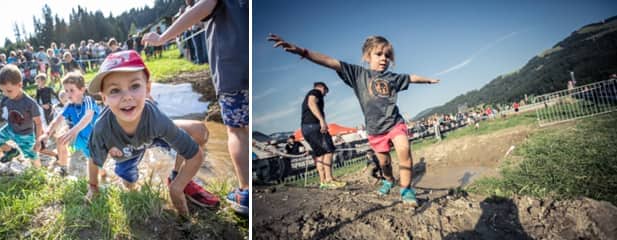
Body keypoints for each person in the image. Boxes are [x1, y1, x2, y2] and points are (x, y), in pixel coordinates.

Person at [268, 33, 442, 206]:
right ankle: (388, 180)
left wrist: (428, 80)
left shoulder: (393, 78)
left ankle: (406, 189)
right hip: (375, 130)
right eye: (379, 54)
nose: (384, 59)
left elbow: (411, 77)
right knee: (385, 163)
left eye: (387, 56)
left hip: (395, 123)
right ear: (367, 56)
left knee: (404, 149)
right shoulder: (358, 74)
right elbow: (329, 61)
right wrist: (302, 51)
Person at [143, 0, 250, 214]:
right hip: (250, 65)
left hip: (232, 71)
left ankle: (245, 191)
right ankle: (177, 176)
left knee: (236, 131)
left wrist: (163, 37)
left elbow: (203, 7)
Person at [83, 51, 220, 217]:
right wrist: (93, 186)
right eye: (114, 90)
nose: (126, 97)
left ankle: (176, 177)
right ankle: (131, 185)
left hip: (153, 135)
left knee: (199, 131)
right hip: (126, 154)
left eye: (134, 86)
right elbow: (94, 159)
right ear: (104, 98)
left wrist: (177, 188)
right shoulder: (102, 128)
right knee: (129, 183)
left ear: (147, 89)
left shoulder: (155, 117)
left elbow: (195, 155)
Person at [0, 64, 45, 168]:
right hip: (10, 129)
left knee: (33, 156)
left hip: (25, 135)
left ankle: (39, 174)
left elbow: (38, 123)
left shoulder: (29, 103)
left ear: (20, 85)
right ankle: (12, 151)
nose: (6, 94)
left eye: (9, 91)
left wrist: (38, 141)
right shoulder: (6, 98)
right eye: (2, 91)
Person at [39, 72, 101, 176]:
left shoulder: (88, 100)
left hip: (95, 139)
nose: (68, 94)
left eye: (72, 90)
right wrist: (47, 133)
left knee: (98, 169)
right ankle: (63, 169)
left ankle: (102, 176)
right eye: (66, 91)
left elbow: (88, 116)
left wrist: (73, 131)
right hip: (80, 138)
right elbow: (57, 120)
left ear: (82, 90)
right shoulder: (69, 106)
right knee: (61, 140)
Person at [301, 82, 345, 189]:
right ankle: (329, 179)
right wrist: (321, 120)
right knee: (329, 151)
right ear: (322, 88)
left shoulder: (309, 95)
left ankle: (323, 181)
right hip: (314, 126)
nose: (325, 95)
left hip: (306, 128)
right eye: (325, 92)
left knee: (320, 155)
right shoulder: (316, 92)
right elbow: (312, 103)